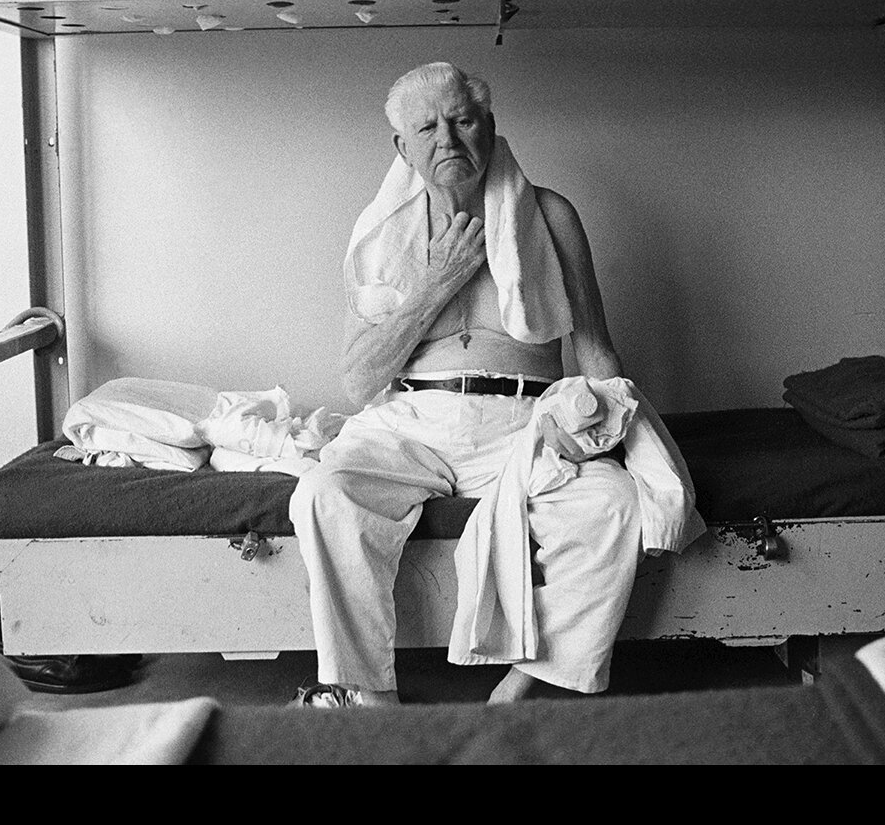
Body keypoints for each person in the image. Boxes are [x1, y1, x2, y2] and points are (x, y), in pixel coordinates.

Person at [288, 61, 700, 707]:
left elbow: (594, 350)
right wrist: (436, 283)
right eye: (426, 128)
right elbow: (359, 379)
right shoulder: (383, 237)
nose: (447, 140)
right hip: (412, 426)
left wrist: (615, 439)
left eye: (462, 120)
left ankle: (527, 683)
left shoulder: (551, 217)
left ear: (490, 126)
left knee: (615, 504)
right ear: (402, 148)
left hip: (522, 427)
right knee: (323, 493)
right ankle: (366, 695)